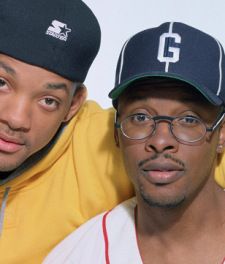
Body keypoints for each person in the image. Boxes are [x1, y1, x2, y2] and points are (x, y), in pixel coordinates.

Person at [44, 22, 225, 264]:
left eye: (188, 119)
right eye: (141, 117)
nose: (161, 141)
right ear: (117, 132)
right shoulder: (77, 256)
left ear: (222, 133)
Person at [0, 0, 135, 263]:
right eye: (2, 83)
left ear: (73, 104)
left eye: (48, 100)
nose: (16, 119)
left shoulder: (110, 143)